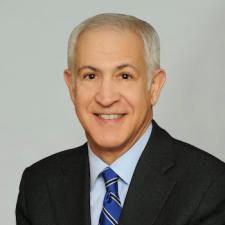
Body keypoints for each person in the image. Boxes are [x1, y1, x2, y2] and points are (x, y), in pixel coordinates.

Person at [16, 13, 225, 225]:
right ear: (72, 87)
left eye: (125, 76)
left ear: (154, 86)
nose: (106, 98)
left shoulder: (209, 186)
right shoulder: (38, 185)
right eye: (91, 75)